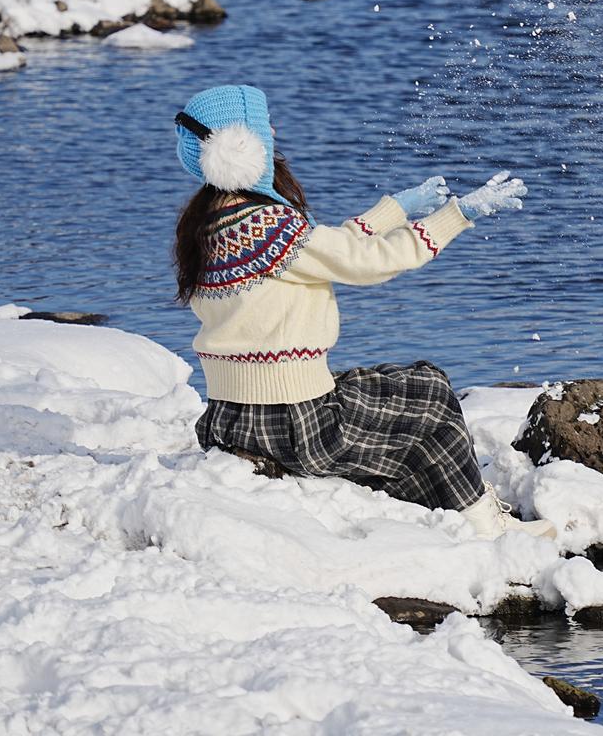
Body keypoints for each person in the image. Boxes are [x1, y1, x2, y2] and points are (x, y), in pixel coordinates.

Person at [172, 83, 555, 541]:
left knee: (407, 390)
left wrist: (394, 211)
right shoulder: (268, 226)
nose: (273, 132)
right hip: (292, 422)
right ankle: (487, 528)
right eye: (263, 126)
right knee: (432, 396)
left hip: (230, 416)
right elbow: (367, 262)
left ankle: (447, 512)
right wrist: (458, 215)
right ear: (240, 147)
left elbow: (327, 248)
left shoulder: (209, 222)